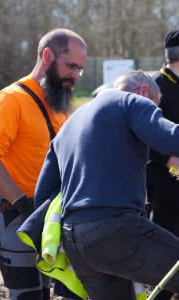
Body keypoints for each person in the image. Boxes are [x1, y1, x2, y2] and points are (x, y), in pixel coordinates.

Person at [34, 70, 179, 300]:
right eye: (155, 107)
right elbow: (172, 138)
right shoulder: (131, 102)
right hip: (117, 229)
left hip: (75, 241)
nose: (155, 112)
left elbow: (42, 195)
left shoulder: (70, 123)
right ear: (143, 92)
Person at [0, 28, 87, 300]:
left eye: (79, 69)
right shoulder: (12, 98)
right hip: (15, 212)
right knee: (27, 294)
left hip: (50, 214)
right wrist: (23, 205)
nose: (75, 75)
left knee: (45, 292)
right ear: (48, 55)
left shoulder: (58, 103)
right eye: (71, 65)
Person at [146, 28, 179, 300]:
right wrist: (171, 161)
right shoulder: (156, 87)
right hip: (165, 181)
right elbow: (142, 136)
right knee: (166, 242)